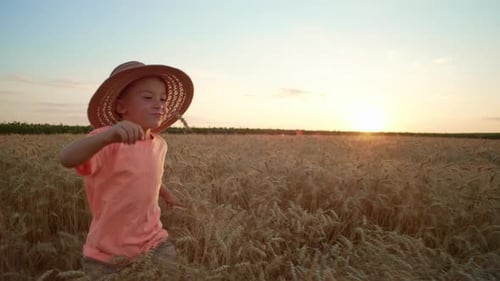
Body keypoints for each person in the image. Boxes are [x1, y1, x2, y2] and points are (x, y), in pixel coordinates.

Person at [59, 61, 194, 279]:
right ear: (121, 107)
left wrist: (166, 193)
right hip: (109, 252)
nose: (158, 104)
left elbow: (147, 176)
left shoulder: (159, 144)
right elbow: (66, 158)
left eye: (163, 99)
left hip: (154, 242)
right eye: (148, 98)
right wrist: (105, 137)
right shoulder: (106, 140)